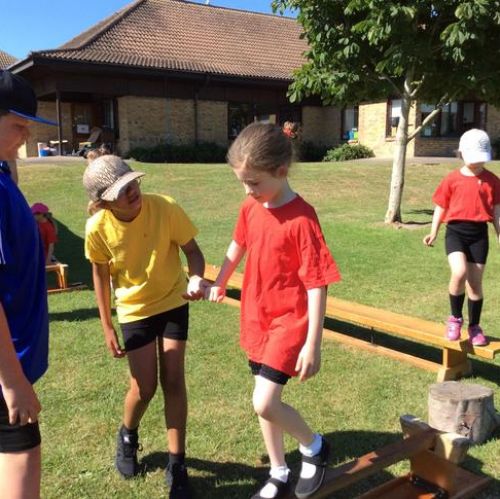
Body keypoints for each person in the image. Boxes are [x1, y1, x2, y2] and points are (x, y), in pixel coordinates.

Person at [205, 123, 341, 499]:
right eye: (242, 183)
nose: (248, 191)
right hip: (256, 316)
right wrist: (220, 281)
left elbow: (317, 283)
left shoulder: (302, 219)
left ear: (281, 171)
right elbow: (238, 244)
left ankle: (314, 446)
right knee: (266, 404)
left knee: (263, 402)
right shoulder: (251, 206)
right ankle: (279, 472)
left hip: (289, 322)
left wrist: (312, 344)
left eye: (253, 182)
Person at [83, 155, 207, 498]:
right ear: (104, 202)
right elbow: (100, 275)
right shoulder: (97, 228)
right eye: (121, 190)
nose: (132, 191)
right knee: (144, 387)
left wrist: (196, 278)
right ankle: (128, 434)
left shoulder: (164, 207)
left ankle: (177, 464)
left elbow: (193, 251)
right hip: (134, 311)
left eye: (132, 183)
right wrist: (107, 325)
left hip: (172, 301)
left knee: (173, 380)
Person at [0, 69, 56, 498]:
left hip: (14, 360)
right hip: (6, 366)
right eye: (19, 124)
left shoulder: (4, 175)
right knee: (22, 458)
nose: (27, 135)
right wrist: (12, 381)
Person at [423, 128, 500, 346]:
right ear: (462, 153)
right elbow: (440, 206)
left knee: (475, 284)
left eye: (481, 159)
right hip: (456, 232)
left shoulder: (493, 181)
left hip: (479, 236)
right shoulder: (452, 179)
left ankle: (474, 327)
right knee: (459, 272)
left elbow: (497, 212)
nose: (477, 163)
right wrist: (433, 231)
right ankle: (455, 318)